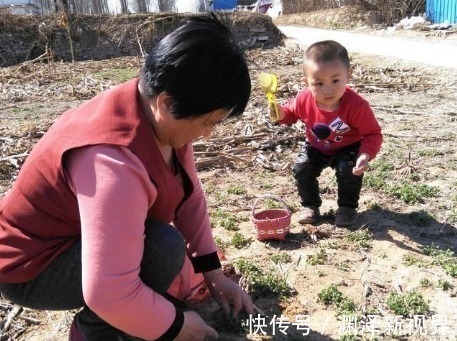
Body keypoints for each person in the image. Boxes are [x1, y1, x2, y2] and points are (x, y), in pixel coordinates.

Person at [0, 13, 254, 340]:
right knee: (162, 248)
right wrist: (177, 326)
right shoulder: (110, 161)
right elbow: (107, 291)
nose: (208, 133)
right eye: (208, 122)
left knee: (161, 249)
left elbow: (189, 198)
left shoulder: (159, 116)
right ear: (167, 103)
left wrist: (214, 276)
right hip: (32, 267)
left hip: (76, 241)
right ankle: (94, 330)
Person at [272, 40, 383, 227]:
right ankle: (310, 206)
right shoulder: (303, 98)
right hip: (316, 146)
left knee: (348, 170)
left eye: (335, 80)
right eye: (319, 83)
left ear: (348, 75)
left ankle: (347, 208)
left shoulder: (357, 106)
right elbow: (290, 114)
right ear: (306, 82)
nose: (328, 89)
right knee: (302, 168)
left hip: (348, 147)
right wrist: (280, 113)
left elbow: (373, 134)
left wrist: (365, 154)